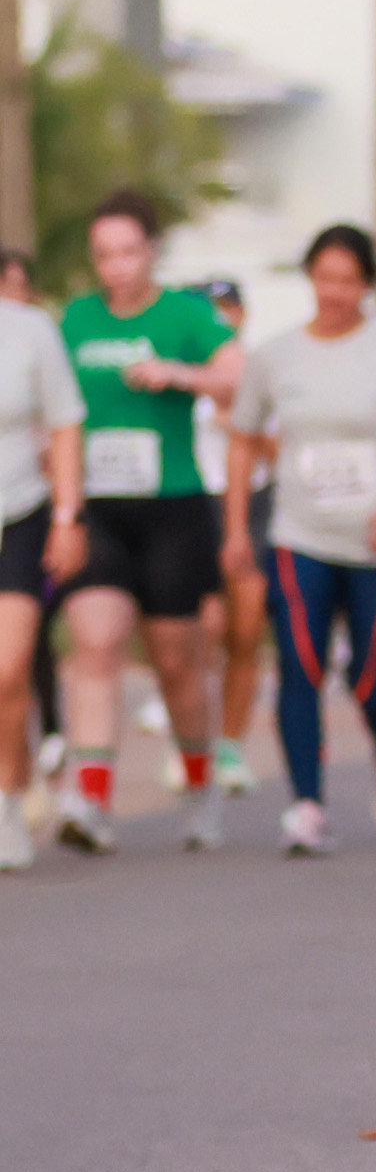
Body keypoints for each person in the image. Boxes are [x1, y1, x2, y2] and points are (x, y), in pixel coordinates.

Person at [225, 224, 376, 857]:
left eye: (348, 280)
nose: (334, 292)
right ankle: (307, 806)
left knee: (373, 681)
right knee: (300, 664)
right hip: (301, 534)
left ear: (368, 284)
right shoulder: (277, 355)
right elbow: (243, 436)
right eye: (324, 278)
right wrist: (237, 528)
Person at [54, 192, 240, 854]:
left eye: (129, 252)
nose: (117, 266)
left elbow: (237, 377)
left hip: (172, 506)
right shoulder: (76, 320)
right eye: (104, 255)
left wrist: (178, 373)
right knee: (96, 641)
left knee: (176, 661)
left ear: (152, 251)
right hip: (97, 507)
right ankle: (92, 800)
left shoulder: (186, 314)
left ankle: (200, 784)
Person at [0, 292, 85, 867]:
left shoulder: (29, 329)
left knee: (8, 669)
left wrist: (67, 516)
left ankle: (7, 802)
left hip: (20, 514)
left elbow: (65, 422)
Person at [189, 279, 270, 798]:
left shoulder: (261, 371)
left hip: (252, 502)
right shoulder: (183, 375)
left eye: (230, 309)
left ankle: (231, 747)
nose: (223, 318)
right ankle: (192, 742)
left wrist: (241, 428)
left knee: (246, 628)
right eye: (212, 311)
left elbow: (281, 448)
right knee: (204, 629)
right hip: (196, 505)